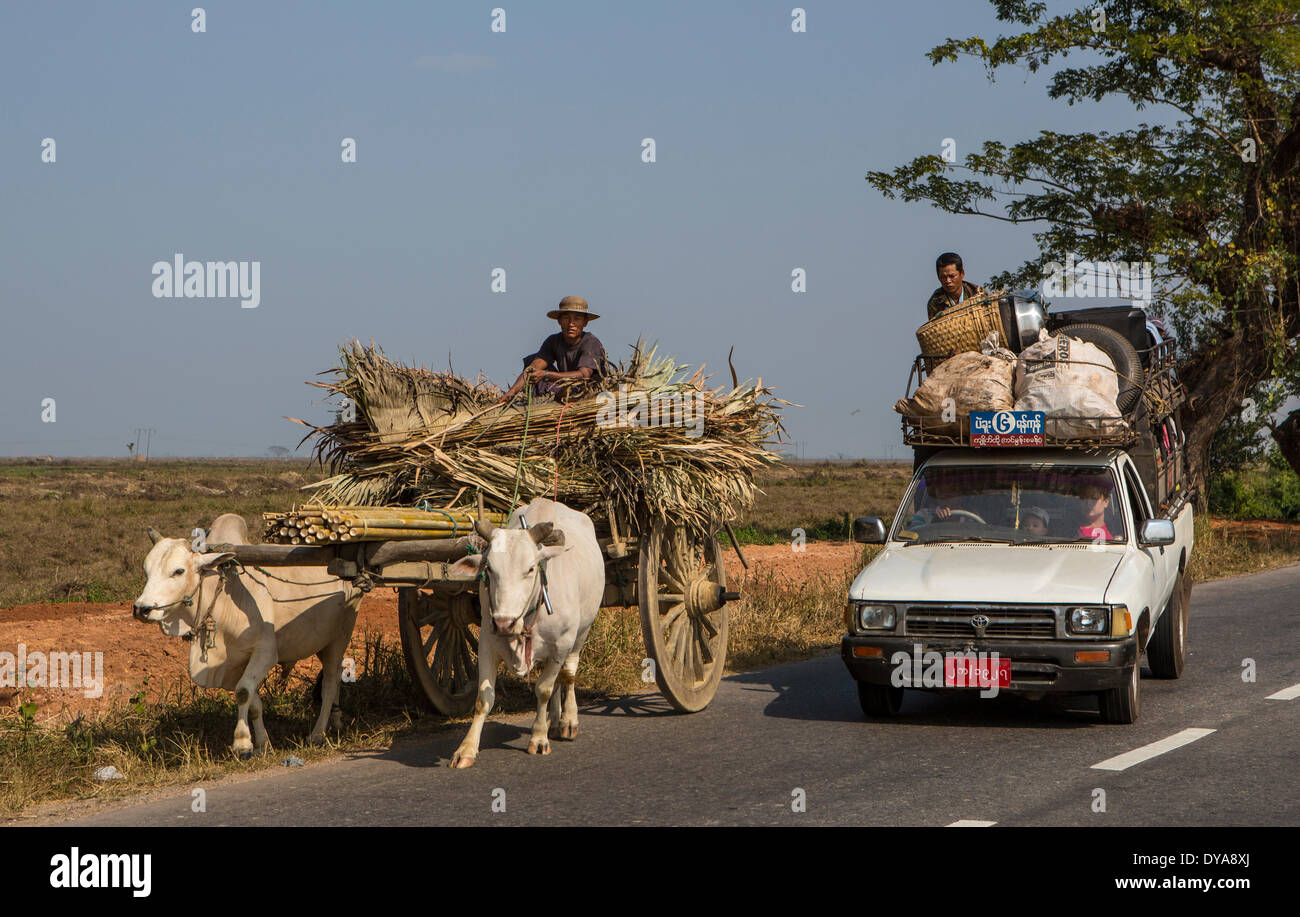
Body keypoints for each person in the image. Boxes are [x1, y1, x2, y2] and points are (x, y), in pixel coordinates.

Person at [499, 296, 607, 403]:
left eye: (577, 319)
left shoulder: (591, 342)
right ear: (559, 321)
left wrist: (546, 375)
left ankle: (555, 398)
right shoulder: (553, 341)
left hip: (586, 391)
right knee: (532, 362)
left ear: (585, 322)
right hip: (564, 387)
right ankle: (539, 401)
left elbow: (584, 375)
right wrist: (511, 392)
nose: (571, 324)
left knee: (558, 385)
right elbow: (533, 368)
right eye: (566, 318)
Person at [926, 252, 986, 321]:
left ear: (962, 273)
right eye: (943, 277)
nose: (948, 281)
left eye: (952, 276)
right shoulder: (935, 302)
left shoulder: (977, 293)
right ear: (938, 277)